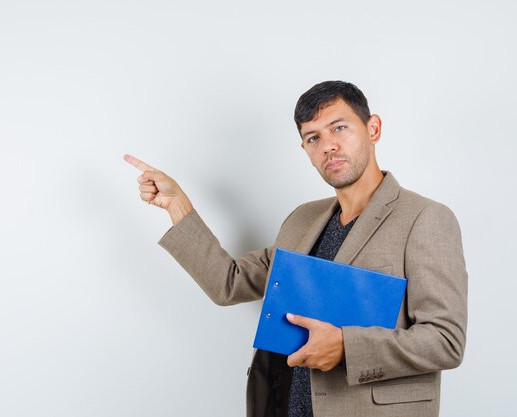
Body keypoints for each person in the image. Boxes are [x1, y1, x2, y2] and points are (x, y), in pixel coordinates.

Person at [125, 80, 468, 417]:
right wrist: (178, 206)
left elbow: (445, 340)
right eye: (313, 137)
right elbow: (229, 283)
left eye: (339, 128)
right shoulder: (302, 220)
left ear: (373, 128)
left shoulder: (425, 218)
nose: (328, 146)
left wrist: (347, 347)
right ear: (305, 150)